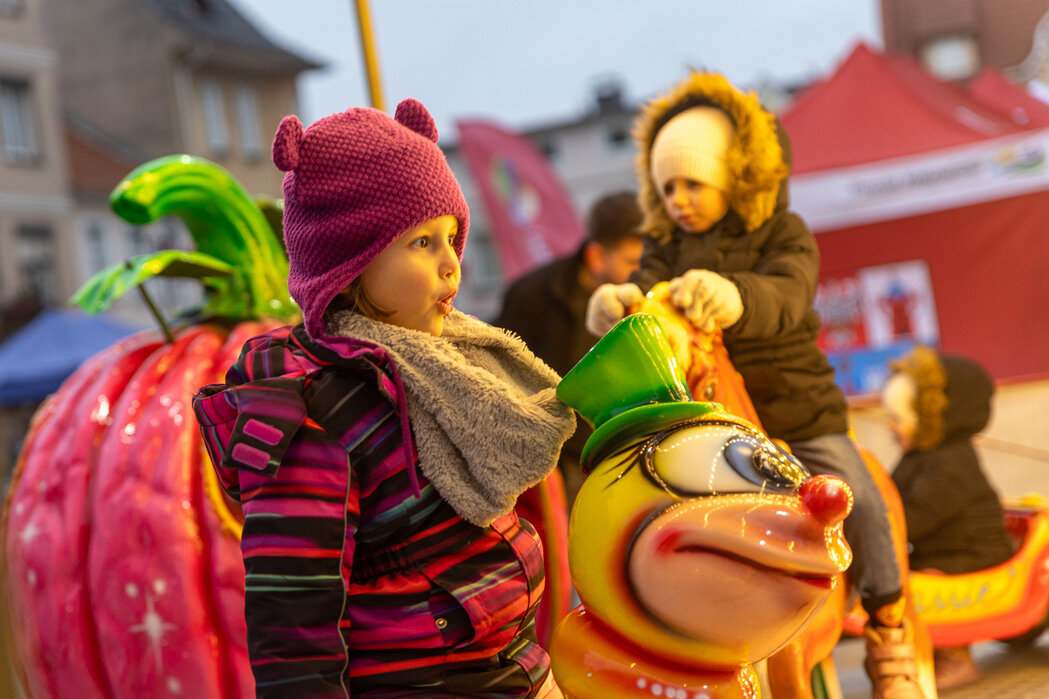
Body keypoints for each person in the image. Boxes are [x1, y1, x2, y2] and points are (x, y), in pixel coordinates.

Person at [193, 98, 575, 698]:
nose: (451, 263)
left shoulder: (441, 365)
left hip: (511, 664)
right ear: (350, 264)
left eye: (452, 237)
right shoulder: (312, 412)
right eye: (422, 242)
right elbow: (293, 615)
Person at [585, 71, 924, 699]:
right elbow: (651, 303)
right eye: (667, 187)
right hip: (717, 426)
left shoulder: (782, 232)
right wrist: (620, 306)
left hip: (797, 410)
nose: (679, 199)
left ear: (734, 176)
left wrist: (736, 296)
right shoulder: (666, 246)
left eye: (694, 183)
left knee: (859, 497)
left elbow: (787, 294)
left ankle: (889, 628)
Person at [495, 191, 644, 504]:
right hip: (558, 464)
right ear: (596, 257)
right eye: (632, 262)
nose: (641, 273)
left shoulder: (643, 295)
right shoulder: (531, 296)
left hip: (628, 448)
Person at [883, 346, 1013, 690]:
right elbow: (895, 497)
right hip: (944, 551)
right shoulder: (920, 456)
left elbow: (917, 516)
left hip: (973, 556)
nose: (889, 425)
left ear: (930, 416)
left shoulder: (950, 463)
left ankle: (956, 657)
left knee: (924, 585)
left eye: (898, 418)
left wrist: (883, 529)